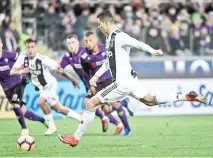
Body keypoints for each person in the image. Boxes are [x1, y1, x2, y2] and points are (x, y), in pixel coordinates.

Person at [58, 10, 207, 147]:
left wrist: (152, 50)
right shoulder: (109, 38)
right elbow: (110, 61)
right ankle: (187, 97)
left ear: (106, 23)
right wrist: (96, 76)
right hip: (131, 80)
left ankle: (76, 138)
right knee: (150, 100)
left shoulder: (120, 36)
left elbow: (138, 43)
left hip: (122, 83)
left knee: (90, 103)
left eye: (99, 24)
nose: (99, 27)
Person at [10, 38, 81, 136]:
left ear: (36, 48)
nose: (30, 49)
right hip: (42, 88)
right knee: (58, 109)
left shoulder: (42, 59)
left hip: (50, 84)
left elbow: (59, 69)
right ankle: (81, 119)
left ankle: (52, 127)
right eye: (28, 47)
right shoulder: (22, 56)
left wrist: (72, 79)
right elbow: (12, 72)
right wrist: (22, 71)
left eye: (32, 47)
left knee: (41, 101)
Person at [61, 34, 123, 134]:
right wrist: (72, 79)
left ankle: (112, 115)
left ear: (77, 42)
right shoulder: (68, 56)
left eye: (73, 42)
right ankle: (117, 123)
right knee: (102, 107)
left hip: (97, 83)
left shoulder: (85, 52)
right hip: (88, 84)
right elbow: (59, 68)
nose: (71, 45)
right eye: (69, 43)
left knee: (90, 103)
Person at [0, 36, 47, 136]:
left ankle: (25, 130)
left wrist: (29, 76)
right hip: (7, 89)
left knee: (15, 104)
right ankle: (44, 120)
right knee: (24, 113)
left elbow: (24, 59)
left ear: (1, 45)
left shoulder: (10, 55)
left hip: (19, 82)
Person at [80, 31, 132, 136]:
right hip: (97, 84)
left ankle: (128, 129)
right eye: (86, 41)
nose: (88, 43)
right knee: (106, 110)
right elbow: (85, 74)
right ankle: (123, 104)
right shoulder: (84, 56)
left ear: (95, 40)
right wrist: (90, 85)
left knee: (115, 105)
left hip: (109, 80)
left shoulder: (106, 49)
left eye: (90, 40)